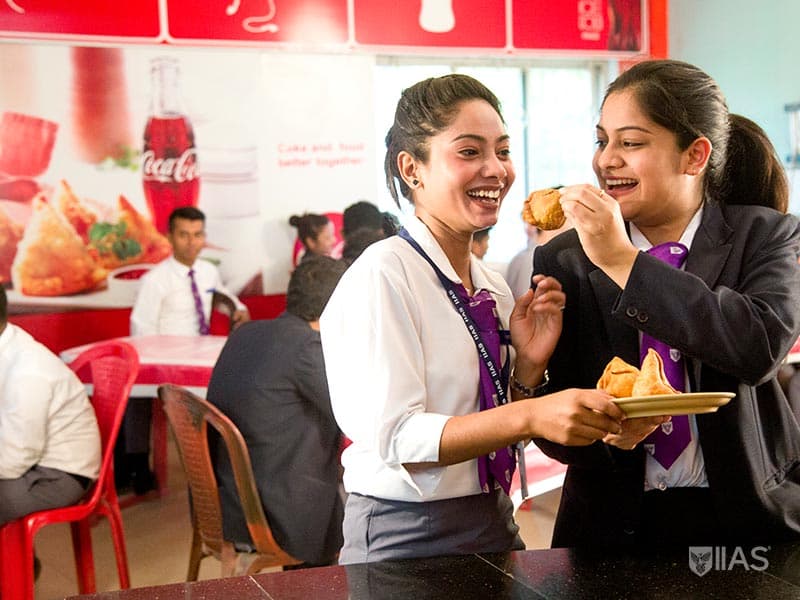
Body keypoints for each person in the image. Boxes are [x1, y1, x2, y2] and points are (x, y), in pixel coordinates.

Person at [320, 73, 624, 564]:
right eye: (469, 152)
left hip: (493, 515)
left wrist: (527, 366)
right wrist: (529, 411)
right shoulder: (384, 274)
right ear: (412, 169)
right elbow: (400, 436)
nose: (496, 170)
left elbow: (500, 427)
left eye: (502, 151)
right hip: (406, 532)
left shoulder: (491, 284)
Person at [532, 59, 800, 548]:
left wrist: (624, 262)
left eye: (630, 143)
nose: (606, 160)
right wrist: (595, 427)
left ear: (695, 155)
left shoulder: (763, 234)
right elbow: (555, 432)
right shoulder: (564, 257)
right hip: (609, 529)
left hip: (746, 525)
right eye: (602, 140)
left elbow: (758, 347)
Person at [207, 255, 347, 568]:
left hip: (227, 501)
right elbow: (354, 413)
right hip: (277, 511)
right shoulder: (307, 347)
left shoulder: (246, 333)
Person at [123, 206, 249, 493]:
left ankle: (223, 463)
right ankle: (138, 464)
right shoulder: (155, 280)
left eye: (197, 235)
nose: (191, 242)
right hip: (166, 357)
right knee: (136, 398)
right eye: (184, 235)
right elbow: (141, 328)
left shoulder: (207, 271)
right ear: (170, 237)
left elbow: (225, 299)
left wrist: (239, 309)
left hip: (200, 352)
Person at [0, 286, 101, 525]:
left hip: (57, 475)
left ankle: (18, 563)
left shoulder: (27, 371)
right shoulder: (9, 344)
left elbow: (16, 460)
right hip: (29, 460)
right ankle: (18, 561)